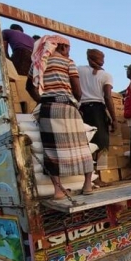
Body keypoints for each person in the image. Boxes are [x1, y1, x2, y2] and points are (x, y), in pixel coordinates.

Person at [25, 35, 93, 200]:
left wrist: (42, 99)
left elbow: (29, 86)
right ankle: (87, 185)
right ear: (61, 47)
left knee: (52, 150)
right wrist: (76, 103)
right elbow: (77, 90)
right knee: (82, 146)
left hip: (48, 109)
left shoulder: (37, 62)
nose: (69, 52)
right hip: (68, 108)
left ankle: (58, 190)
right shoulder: (68, 62)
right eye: (68, 49)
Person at [78, 49, 116, 187]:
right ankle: (98, 177)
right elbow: (107, 96)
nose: (103, 59)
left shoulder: (79, 70)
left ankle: (88, 179)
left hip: (82, 110)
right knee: (102, 144)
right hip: (98, 110)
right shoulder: (106, 75)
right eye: (102, 57)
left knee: (86, 143)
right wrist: (114, 119)